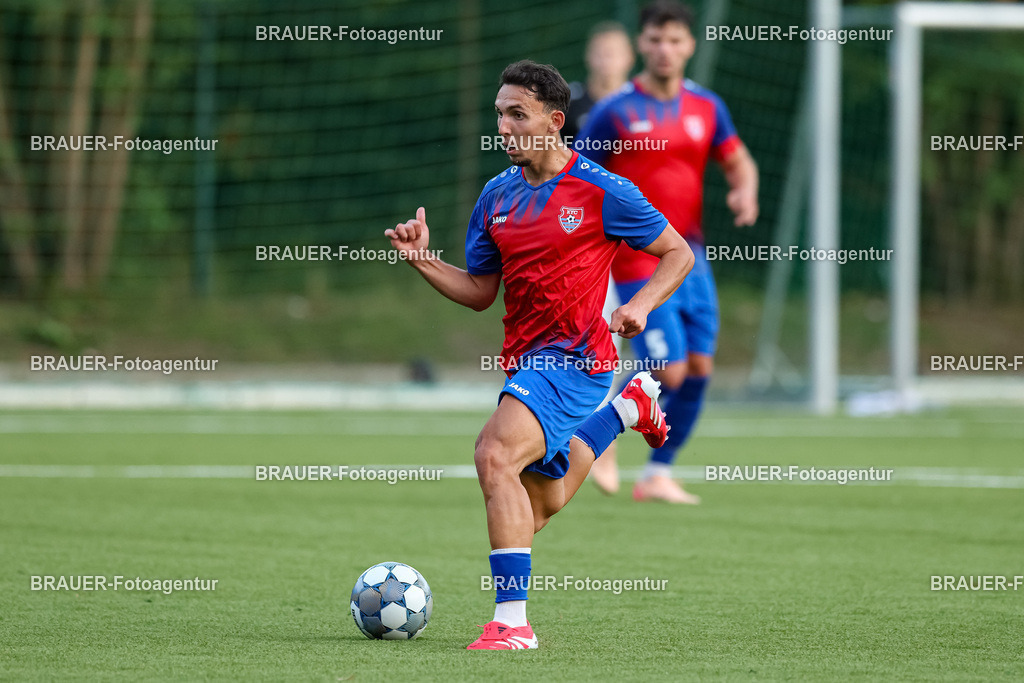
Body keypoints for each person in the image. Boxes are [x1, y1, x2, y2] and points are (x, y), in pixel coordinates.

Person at [385, 60, 694, 650]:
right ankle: (629, 410)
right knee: (537, 505)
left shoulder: (601, 189)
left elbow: (676, 252)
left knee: (493, 453)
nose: (503, 125)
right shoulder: (494, 196)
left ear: (554, 121)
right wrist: (424, 260)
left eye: (516, 114)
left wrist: (644, 305)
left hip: (577, 359)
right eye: (499, 113)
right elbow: (480, 292)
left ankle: (513, 624)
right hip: (528, 362)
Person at [578, 0, 759, 503]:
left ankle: (657, 472)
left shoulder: (707, 107)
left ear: (690, 46)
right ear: (642, 44)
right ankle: (599, 420)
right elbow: (577, 176)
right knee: (670, 370)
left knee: (700, 369)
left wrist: (744, 189)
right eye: (656, 39)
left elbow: (738, 160)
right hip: (637, 257)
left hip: (692, 257)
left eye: (675, 40)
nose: (665, 49)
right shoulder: (615, 110)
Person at [563, 21, 635, 140]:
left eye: (612, 54)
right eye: (599, 53)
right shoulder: (567, 102)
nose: (605, 61)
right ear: (587, 56)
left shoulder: (644, 101)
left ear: (630, 57)